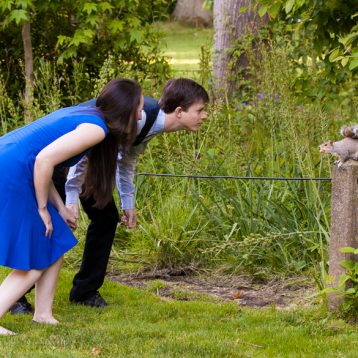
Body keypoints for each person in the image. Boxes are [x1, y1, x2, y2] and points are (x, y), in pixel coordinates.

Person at [12, 77, 209, 311]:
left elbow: (126, 162)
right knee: (50, 227)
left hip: (91, 168)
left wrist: (129, 204)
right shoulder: (141, 115)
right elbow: (83, 153)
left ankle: (84, 291)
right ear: (179, 112)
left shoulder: (149, 124)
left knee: (106, 219)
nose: (204, 116)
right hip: (58, 164)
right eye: (200, 110)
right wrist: (71, 200)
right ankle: (16, 296)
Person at [0, 78, 143, 335]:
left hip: (14, 163)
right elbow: (42, 161)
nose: (142, 114)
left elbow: (43, 161)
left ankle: (43, 313)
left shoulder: (90, 116)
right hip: (12, 169)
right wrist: (43, 209)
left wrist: (60, 208)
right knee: (38, 253)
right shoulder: (96, 129)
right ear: (126, 109)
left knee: (56, 237)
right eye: (139, 108)